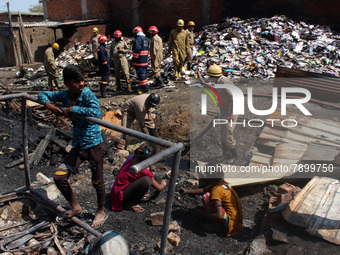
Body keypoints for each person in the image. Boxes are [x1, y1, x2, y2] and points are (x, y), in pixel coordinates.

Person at [38, 64, 107, 229]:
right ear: (67, 82)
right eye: (77, 81)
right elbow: (42, 94)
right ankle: (75, 207)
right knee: (59, 177)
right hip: (78, 145)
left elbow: (96, 112)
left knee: (97, 181)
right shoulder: (64, 95)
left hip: (94, 145)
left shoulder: (87, 94)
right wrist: (49, 105)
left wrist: (72, 110)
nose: (81, 84)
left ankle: (100, 211)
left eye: (82, 80)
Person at [110, 143, 167, 212]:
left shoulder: (133, 157)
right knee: (147, 180)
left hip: (117, 189)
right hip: (120, 196)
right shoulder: (143, 170)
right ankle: (131, 203)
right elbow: (159, 188)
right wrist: (163, 184)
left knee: (146, 179)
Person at [179, 177, 243, 237]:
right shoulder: (222, 185)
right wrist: (186, 191)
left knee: (206, 197)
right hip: (237, 223)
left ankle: (216, 224)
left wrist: (203, 214)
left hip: (230, 225)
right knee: (212, 198)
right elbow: (203, 190)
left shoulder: (216, 191)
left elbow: (219, 216)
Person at [207, 65, 238, 164]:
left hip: (230, 111)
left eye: (210, 77)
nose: (210, 79)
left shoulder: (224, 81)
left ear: (213, 76)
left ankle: (234, 155)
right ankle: (226, 154)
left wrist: (231, 114)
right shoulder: (218, 82)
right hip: (224, 111)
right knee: (222, 134)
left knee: (228, 135)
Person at [131, 26, 150, 95]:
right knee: (144, 75)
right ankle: (144, 88)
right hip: (145, 60)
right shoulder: (146, 39)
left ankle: (145, 89)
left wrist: (134, 59)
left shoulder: (139, 39)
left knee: (141, 75)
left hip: (139, 61)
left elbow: (137, 50)